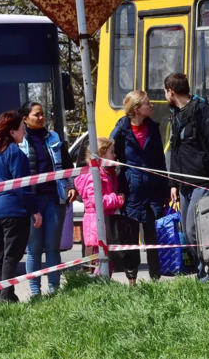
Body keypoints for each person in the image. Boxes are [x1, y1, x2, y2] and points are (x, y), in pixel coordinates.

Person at [165, 73, 209, 280]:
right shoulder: (176, 113)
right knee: (188, 231)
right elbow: (174, 150)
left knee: (194, 231)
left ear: (171, 92)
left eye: (166, 92)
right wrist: (173, 183)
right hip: (184, 184)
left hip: (203, 180)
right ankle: (205, 274)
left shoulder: (201, 110)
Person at [0, 111, 42, 303]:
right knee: (11, 256)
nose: (24, 134)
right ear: (12, 131)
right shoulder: (16, 153)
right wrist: (35, 210)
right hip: (14, 211)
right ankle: (6, 297)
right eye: (22, 130)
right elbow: (22, 187)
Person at [111, 90, 169, 285]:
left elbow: (160, 161)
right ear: (137, 109)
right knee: (130, 240)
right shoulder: (120, 130)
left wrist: (166, 189)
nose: (151, 106)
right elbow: (109, 154)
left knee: (152, 238)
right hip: (130, 192)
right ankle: (132, 280)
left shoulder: (153, 128)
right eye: (147, 103)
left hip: (152, 191)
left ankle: (155, 280)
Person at [19, 102, 75, 296]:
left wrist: (72, 186)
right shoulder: (19, 141)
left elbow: (67, 166)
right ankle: (35, 293)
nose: (41, 117)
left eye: (43, 114)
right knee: (34, 249)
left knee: (52, 248)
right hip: (31, 202)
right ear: (25, 118)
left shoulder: (55, 138)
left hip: (54, 199)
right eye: (36, 114)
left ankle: (54, 291)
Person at [74, 137, 124, 277]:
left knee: (106, 261)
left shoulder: (105, 173)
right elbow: (97, 201)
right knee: (100, 262)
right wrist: (118, 199)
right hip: (97, 225)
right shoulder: (93, 176)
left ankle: (104, 285)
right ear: (101, 154)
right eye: (112, 152)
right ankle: (100, 287)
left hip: (103, 223)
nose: (114, 156)